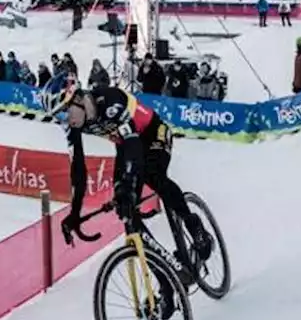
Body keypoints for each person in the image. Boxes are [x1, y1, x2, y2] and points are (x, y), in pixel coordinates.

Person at [46, 75, 214, 285]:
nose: (64, 120)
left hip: (153, 134)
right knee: (126, 211)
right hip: (126, 145)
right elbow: (78, 170)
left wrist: (129, 186)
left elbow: (135, 149)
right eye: (57, 117)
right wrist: (74, 213)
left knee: (154, 175)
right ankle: (165, 281)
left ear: (77, 99)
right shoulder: (73, 124)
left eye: (63, 112)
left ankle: (194, 227)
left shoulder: (109, 101)